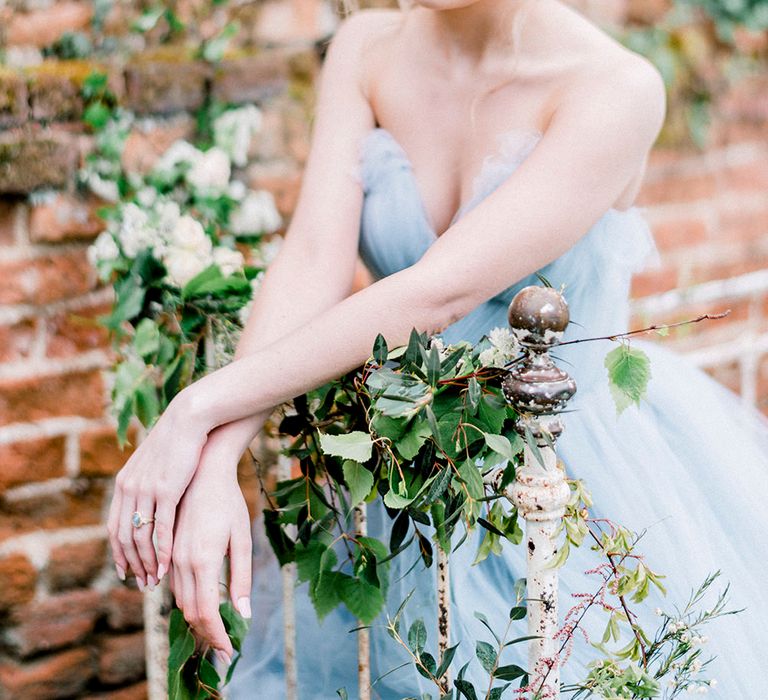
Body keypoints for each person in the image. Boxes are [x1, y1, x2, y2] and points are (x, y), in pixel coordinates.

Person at [107, 0, 768, 696]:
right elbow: (311, 262)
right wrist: (216, 453)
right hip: (399, 493)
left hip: (563, 489)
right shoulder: (366, 48)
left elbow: (434, 296)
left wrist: (192, 409)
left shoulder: (615, 88)